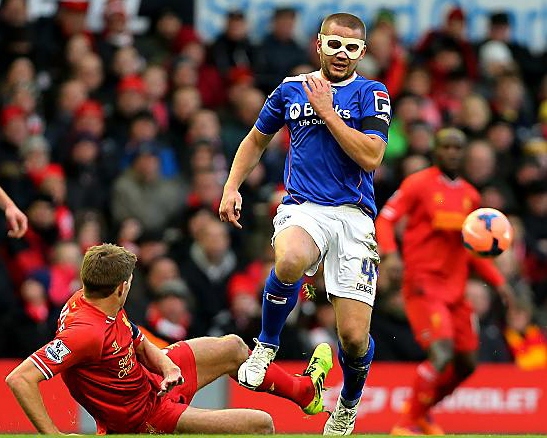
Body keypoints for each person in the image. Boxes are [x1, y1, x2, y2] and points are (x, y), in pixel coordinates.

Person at [219, 12, 391, 435]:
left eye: (351, 47)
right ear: (319, 44)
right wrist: (231, 186)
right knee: (291, 258)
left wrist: (328, 112)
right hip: (304, 206)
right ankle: (266, 345)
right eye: (334, 44)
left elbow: (371, 156)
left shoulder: (373, 93)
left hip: (354, 216)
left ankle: (347, 404)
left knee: (352, 339)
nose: (341, 53)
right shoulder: (290, 89)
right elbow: (256, 139)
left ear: (362, 53)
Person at [6, 243, 333, 435]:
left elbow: (136, 339)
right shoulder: (84, 333)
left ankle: (305, 392)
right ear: (121, 287)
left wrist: (166, 366)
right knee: (262, 425)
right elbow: (20, 378)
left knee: (233, 346)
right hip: (144, 417)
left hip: (154, 381)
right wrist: (53, 434)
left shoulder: (92, 297)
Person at [375, 128, 514, 435]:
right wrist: (390, 254)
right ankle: (405, 422)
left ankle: (422, 413)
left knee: (467, 365)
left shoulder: (470, 195)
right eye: (446, 147)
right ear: (435, 151)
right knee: (441, 352)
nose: (452, 152)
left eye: (457, 148)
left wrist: (498, 280)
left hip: (456, 289)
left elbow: (474, 249)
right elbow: (385, 219)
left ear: (463, 154)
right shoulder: (418, 184)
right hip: (424, 284)